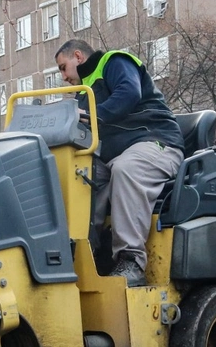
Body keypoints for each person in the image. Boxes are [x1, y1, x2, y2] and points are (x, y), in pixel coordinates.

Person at [54, 39, 184, 286]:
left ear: (78, 56)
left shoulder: (114, 61)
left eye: (63, 67)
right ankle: (83, 256)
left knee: (125, 170)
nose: (63, 77)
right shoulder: (84, 92)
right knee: (79, 175)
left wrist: (93, 115)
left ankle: (131, 261)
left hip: (155, 141)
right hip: (113, 154)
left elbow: (129, 93)